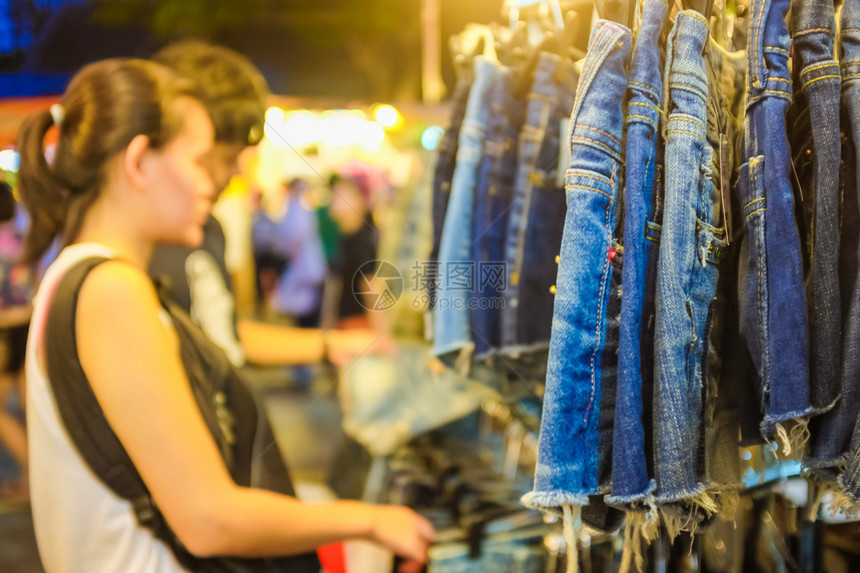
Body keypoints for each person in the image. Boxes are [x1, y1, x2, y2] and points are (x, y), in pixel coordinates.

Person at [17, 58, 434, 573]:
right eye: (197, 159)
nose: (215, 183)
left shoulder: (88, 278)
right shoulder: (111, 289)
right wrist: (368, 520)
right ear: (138, 161)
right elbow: (208, 518)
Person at [148, 41, 379, 368]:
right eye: (220, 157)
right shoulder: (126, 263)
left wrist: (330, 345)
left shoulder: (206, 229)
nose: (238, 170)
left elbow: (224, 335)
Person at [0, 181, 33, 504]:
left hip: (5, 331)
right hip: (28, 326)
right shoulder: (22, 240)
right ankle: (29, 482)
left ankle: (30, 473)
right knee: (28, 410)